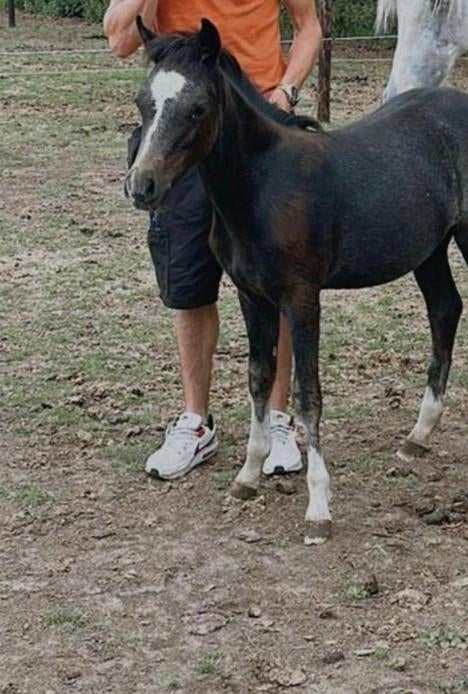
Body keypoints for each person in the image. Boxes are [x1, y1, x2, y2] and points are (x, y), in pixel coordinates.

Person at [103, 0, 323, 480]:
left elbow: (308, 27)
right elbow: (120, 40)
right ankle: (195, 422)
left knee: (282, 280)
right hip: (180, 132)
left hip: (257, 136)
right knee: (188, 282)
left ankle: (278, 419)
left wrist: (286, 90)